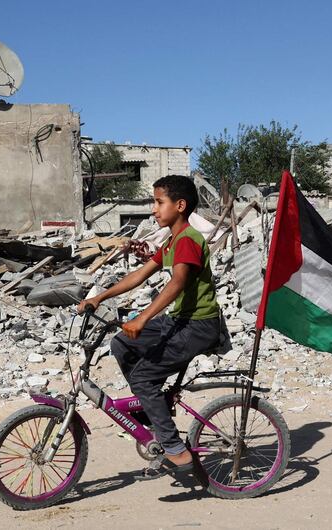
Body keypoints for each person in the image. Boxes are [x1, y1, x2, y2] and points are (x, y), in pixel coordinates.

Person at [77, 174, 222, 480]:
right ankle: (151, 407)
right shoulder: (173, 240)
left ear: (179, 206)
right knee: (121, 344)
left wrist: (142, 318)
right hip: (181, 320)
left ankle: (173, 447)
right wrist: (100, 296)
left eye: (159, 202)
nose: (154, 210)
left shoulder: (188, 241)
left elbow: (178, 282)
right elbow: (139, 275)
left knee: (142, 376)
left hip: (198, 326)